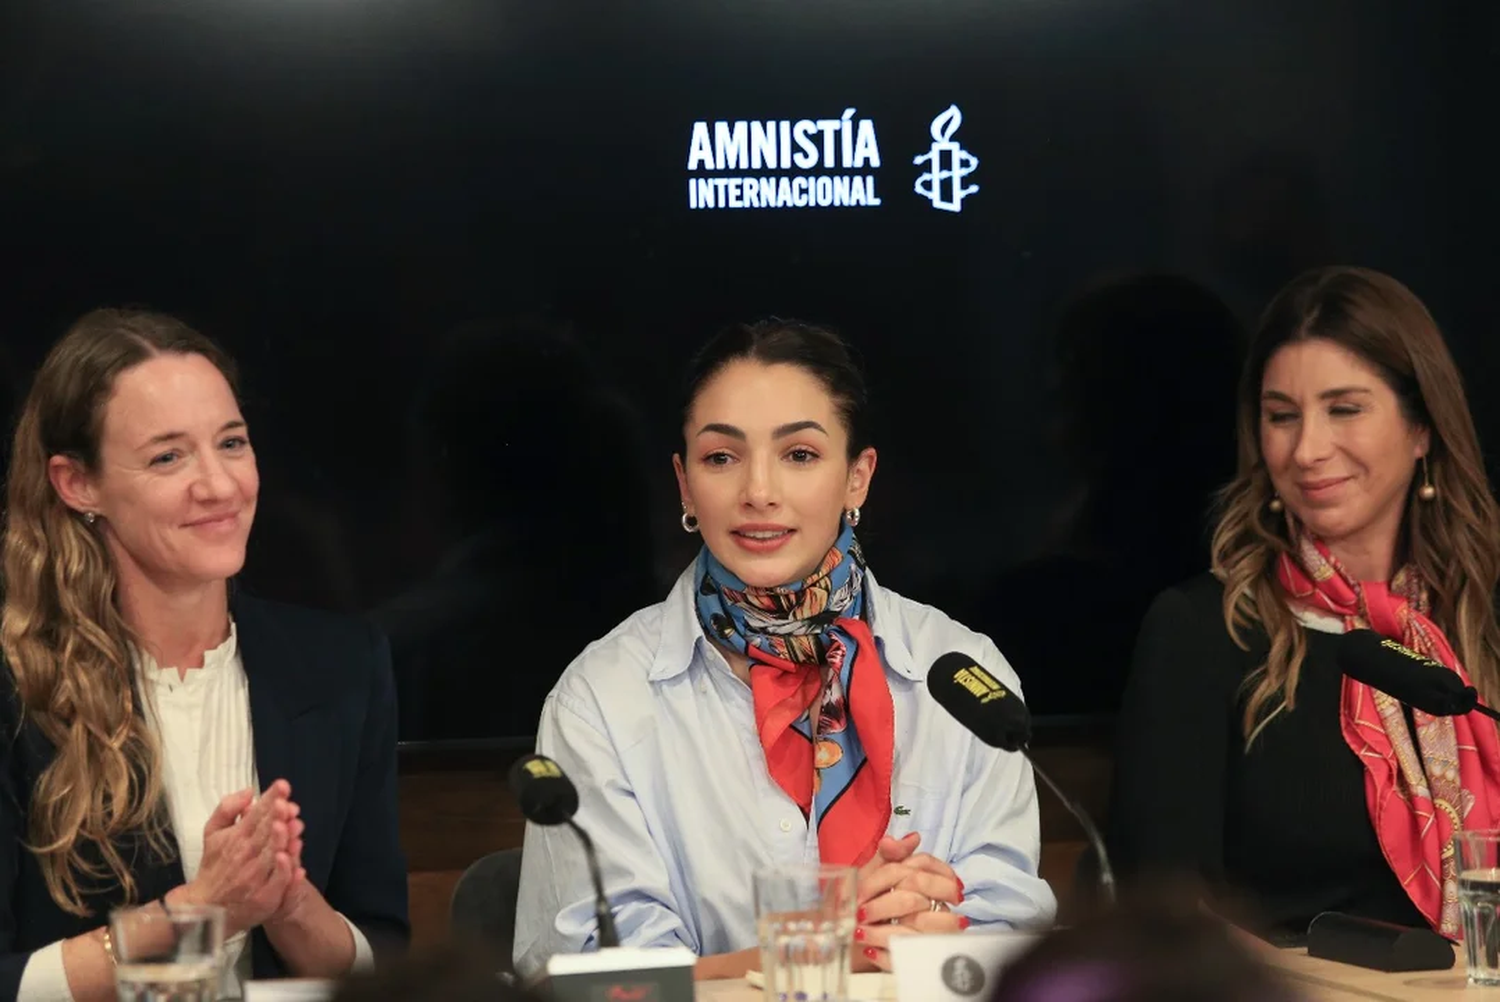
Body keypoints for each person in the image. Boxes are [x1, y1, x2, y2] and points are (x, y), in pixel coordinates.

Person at [514, 319, 1055, 980]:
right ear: (685, 484)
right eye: (722, 457)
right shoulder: (602, 697)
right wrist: (822, 942)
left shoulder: (963, 676)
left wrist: (939, 932)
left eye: (799, 454)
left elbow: (1019, 940)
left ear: (858, 477)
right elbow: (593, 980)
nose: (759, 492)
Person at [0, 309, 409, 1001]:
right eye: (168, 456)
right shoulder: (16, 690)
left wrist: (289, 906)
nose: (220, 486)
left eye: (232, 442)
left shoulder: (342, 666)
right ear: (78, 485)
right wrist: (198, 916)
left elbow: (386, 959)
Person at [1106, 266, 1500, 941]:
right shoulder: (1202, 630)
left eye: (1344, 409)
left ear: (1422, 429)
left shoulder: (1484, 615)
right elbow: (1166, 922)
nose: (1308, 450)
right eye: (1282, 417)